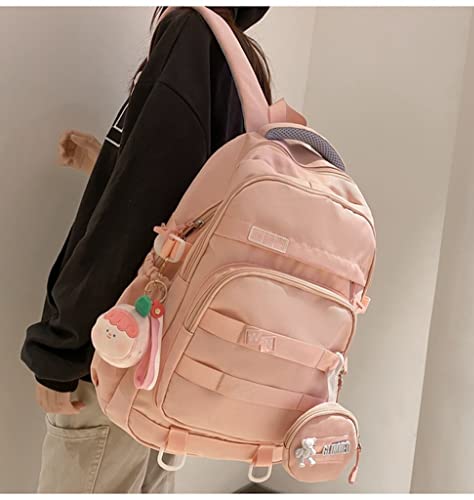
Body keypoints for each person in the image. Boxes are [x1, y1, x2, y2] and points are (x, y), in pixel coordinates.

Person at [21, 6, 271, 493]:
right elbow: (188, 205)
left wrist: (60, 351)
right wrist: (106, 163)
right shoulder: (240, 61)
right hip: (166, 366)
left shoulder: (191, 33)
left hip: (116, 354)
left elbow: (137, 213)